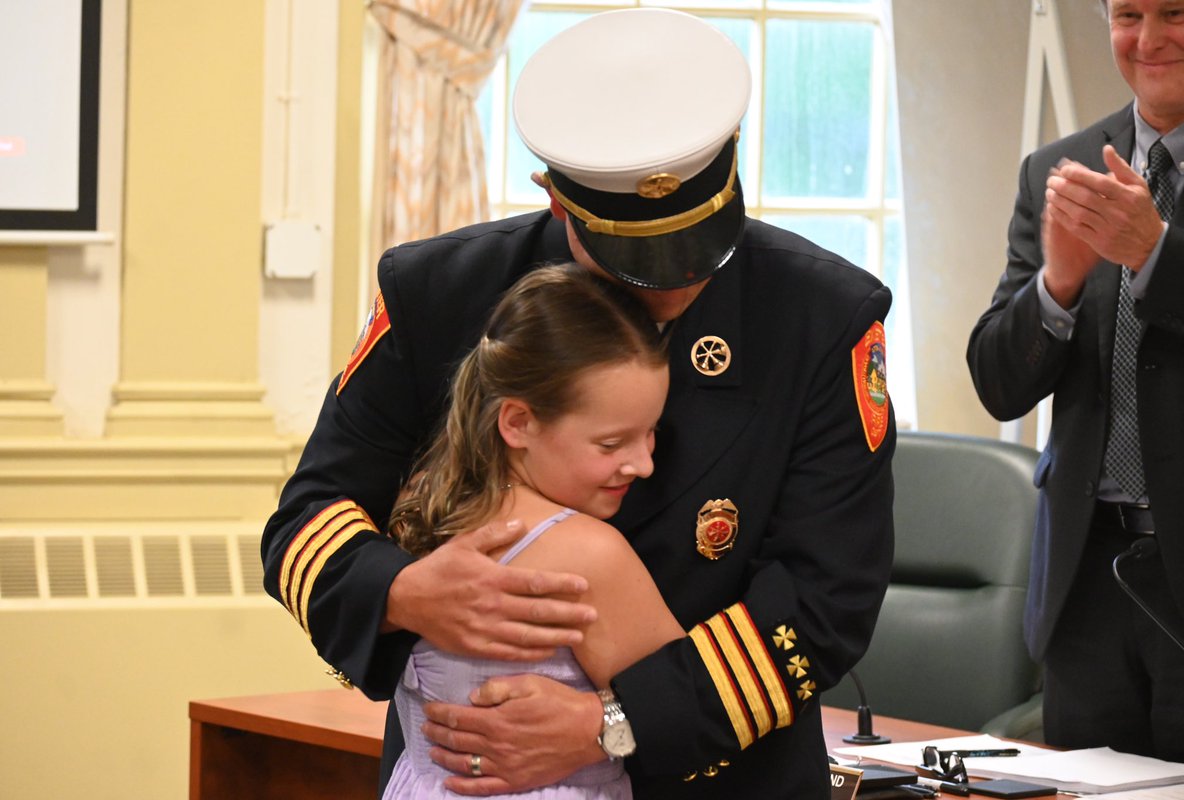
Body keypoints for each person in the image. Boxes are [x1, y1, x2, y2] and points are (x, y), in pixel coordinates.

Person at [263, 8, 896, 798]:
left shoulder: (820, 318)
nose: (673, 284)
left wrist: (613, 724)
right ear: (558, 203)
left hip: (719, 777)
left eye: (696, 250)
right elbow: (309, 518)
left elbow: (826, 597)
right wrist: (403, 591)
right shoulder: (438, 295)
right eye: (636, 259)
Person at [967, 0, 1184, 764]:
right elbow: (998, 383)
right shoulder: (1060, 169)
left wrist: (1157, 253)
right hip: (1085, 583)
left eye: (1176, 12)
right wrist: (1056, 288)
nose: (1149, 39)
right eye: (1127, 14)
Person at [382, 263, 683, 799]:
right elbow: (682, 716)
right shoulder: (590, 554)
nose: (644, 464)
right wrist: (609, 732)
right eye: (612, 444)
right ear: (518, 423)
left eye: (651, 433)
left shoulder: (422, 504)